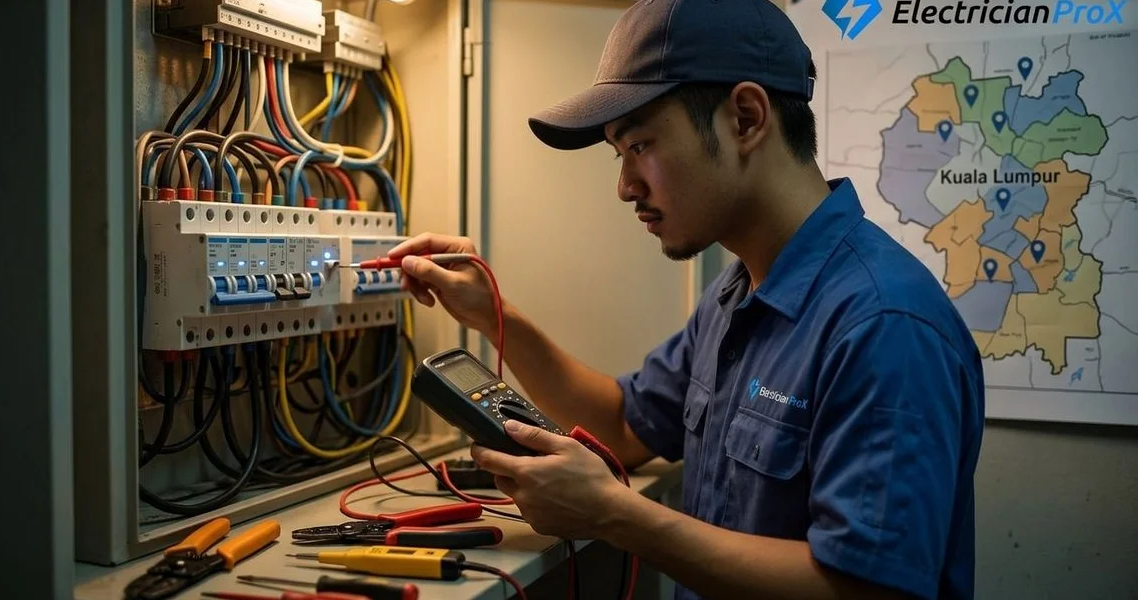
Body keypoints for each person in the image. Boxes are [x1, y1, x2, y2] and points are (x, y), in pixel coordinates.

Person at [389, 1, 985, 599]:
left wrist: (614, 513)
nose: (625, 187)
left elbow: (867, 589)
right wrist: (493, 315)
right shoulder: (738, 293)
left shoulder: (883, 325)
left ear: (746, 118)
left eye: (640, 145)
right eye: (619, 155)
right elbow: (624, 424)